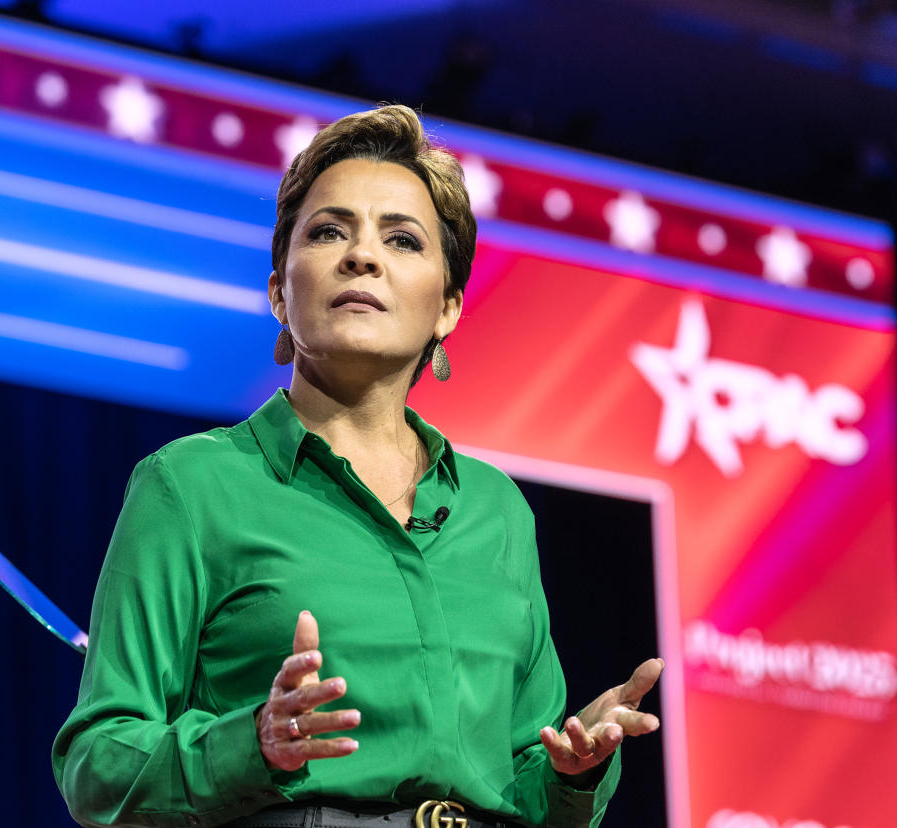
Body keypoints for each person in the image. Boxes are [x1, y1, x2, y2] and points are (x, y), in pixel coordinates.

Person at [52, 104, 663, 828]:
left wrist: (571, 772)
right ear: (280, 292)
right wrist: (252, 743)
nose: (362, 256)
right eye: (328, 231)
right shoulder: (191, 486)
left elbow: (520, 785)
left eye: (402, 239)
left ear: (448, 310)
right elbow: (98, 767)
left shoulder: (496, 510)